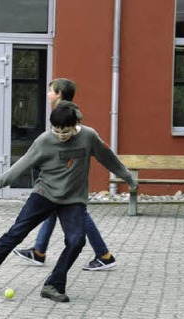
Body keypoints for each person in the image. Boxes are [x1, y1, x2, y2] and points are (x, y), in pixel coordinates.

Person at [0, 101, 137, 302]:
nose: (60, 135)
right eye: (56, 130)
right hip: (44, 194)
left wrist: (128, 178)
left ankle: (53, 285)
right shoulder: (44, 141)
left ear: (76, 124)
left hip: (73, 200)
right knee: (16, 233)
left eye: (65, 131)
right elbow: (22, 164)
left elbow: (109, 158)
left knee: (77, 241)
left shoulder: (89, 137)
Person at [13, 78, 119, 271]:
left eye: (50, 90)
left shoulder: (67, 112)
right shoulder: (64, 110)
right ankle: (39, 250)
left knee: (79, 215)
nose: (47, 94)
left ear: (59, 93)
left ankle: (104, 254)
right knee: (52, 208)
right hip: (59, 184)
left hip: (70, 183)